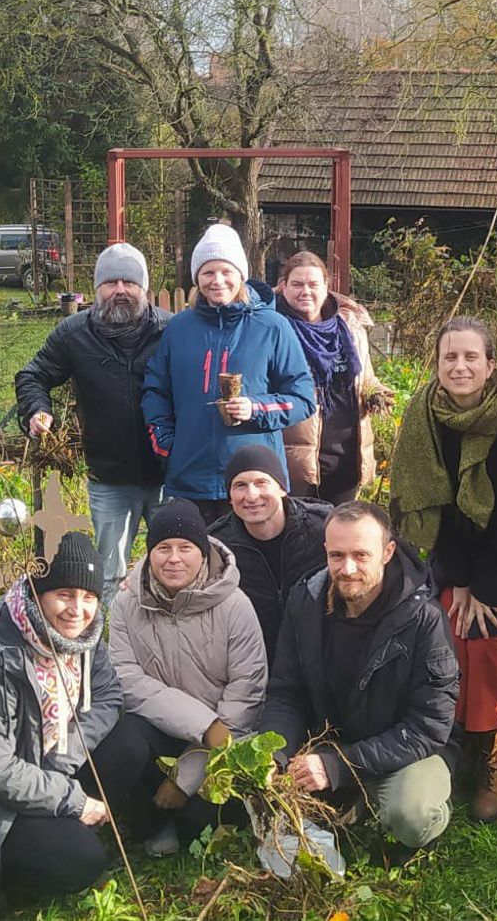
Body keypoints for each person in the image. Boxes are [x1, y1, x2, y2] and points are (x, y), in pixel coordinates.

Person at [0, 532, 151, 920]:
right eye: (64, 594)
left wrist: (62, 755)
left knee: (132, 741)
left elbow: (109, 696)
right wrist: (72, 799)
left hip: (43, 768)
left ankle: (57, 832)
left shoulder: (84, 638)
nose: (77, 609)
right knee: (84, 862)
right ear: (36, 592)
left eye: (88, 597)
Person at [389, 317, 497, 823]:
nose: (460, 366)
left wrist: (483, 586)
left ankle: (493, 756)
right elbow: (429, 506)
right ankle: (447, 748)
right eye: (449, 357)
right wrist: (455, 581)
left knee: (487, 640)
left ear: (491, 364)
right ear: (436, 364)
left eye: (471, 356)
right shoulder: (423, 418)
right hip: (446, 557)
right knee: (443, 638)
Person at [259, 502, 459, 853]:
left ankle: (417, 808)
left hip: (410, 750)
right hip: (333, 742)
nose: (347, 568)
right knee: (268, 797)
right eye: (336, 555)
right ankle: (354, 800)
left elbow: (429, 726)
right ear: (325, 551)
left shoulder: (424, 617)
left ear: (387, 552)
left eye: (361, 555)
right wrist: (274, 753)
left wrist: (339, 765)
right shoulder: (305, 601)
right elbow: (286, 692)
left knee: (411, 816)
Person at [109, 500, 268, 855]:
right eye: (163, 548)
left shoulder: (236, 606)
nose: (173, 558)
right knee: (126, 737)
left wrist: (186, 776)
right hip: (167, 731)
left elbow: (245, 700)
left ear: (204, 552)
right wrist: (203, 722)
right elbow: (126, 679)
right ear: (149, 554)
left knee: (198, 818)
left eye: (185, 548)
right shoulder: (126, 604)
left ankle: (180, 822)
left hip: (221, 743)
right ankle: (142, 822)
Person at [15, 243, 170, 594]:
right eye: (110, 282)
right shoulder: (74, 335)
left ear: (143, 287)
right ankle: (107, 645)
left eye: (128, 282)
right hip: (109, 477)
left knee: (172, 567)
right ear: (97, 287)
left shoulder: (170, 332)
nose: (119, 290)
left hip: (168, 476)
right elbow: (33, 375)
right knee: (110, 573)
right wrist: (38, 410)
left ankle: (167, 639)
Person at [141, 224, 317, 524]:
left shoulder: (272, 327)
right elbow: (155, 390)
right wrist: (166, 442)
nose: (217, 281)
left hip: (253, 482)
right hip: (189, 478)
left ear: (241, 275)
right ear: (197, 278)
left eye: (226, 271)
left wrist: (256, 408)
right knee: (194, 566)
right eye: (208, 273)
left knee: (251, 566)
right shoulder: (179, 329)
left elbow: (302, 398)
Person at [275, 251, 394, 503]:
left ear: (326, 287)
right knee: (300, 537)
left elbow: (365, 377)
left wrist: (376, 394)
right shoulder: (274, 328)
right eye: (297, 284)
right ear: (284, 286)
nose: (305, 291)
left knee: (342, 537)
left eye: (313, 284)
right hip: (296, 462)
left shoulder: (349, 326)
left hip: (347, 458)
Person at [209, 445, 333, 665]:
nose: (251, 495)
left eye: (261, 483)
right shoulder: (217, 545)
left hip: (322, 654)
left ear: (282, 488)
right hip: (253, 660)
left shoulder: (324, 527)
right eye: (240, 486)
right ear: (229, 497)